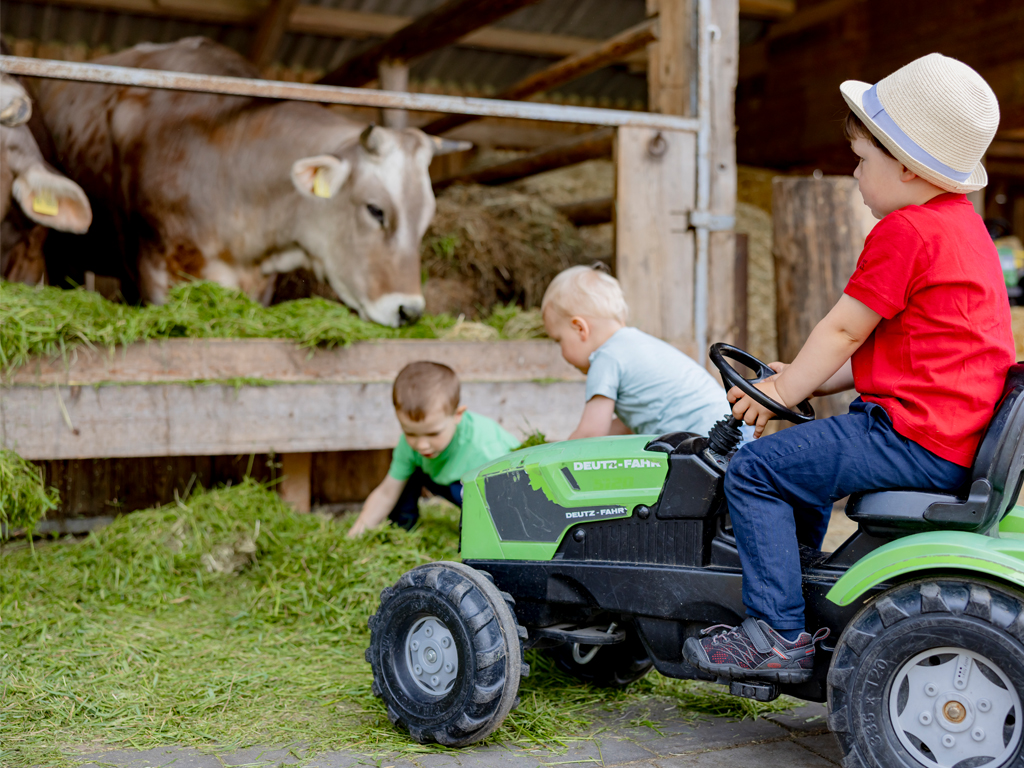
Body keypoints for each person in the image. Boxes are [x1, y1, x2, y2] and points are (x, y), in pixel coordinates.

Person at [682, 53, 1016, 683]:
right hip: (947, 431)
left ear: (910, 169)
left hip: (913, 437)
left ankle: (776, 635)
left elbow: (842, 328)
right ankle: (797, 590)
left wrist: (782, 388)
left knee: (755, 470)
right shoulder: (962, 229)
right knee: (798, 464)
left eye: (863, 160)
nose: (855, 174)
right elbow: (896, 354)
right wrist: (801, 378)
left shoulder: (905, 232)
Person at [542, 264, 735, 440]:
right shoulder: (637, 344)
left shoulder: (606, 357)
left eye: (558, 340)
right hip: (731, 429)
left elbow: (591, 434)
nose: (561, 350)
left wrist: (552, 455)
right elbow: (629, 425)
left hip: (707, 441)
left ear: (580, 328)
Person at [346, 361, 519, 537]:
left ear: (457, 415)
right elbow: (387, 492)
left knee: (482, 517)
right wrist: (356, 533)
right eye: (410, 433)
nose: (421, 445)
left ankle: (473, 531)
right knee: (406, 473)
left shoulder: (484, 449)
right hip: (446, 480)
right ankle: (401, 529)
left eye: (433, 433)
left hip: (488, 493)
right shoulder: (410, 446)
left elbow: (513, 503)